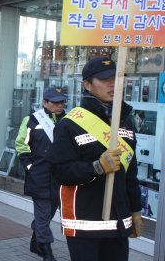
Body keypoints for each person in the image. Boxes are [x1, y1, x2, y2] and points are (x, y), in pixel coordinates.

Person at [48, 57, 142, 261]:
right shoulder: (70, 124)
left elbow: (130, 173)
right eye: (104, 79)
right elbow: (60, 171)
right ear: (87, 85)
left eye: (116, 78)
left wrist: (135, 210)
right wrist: (96, 167)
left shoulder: (124, 121)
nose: (112, 84)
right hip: (85, 223)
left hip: (118, 223)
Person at [15, 87, 67, 261]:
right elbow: (21, 145)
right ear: (44, 103)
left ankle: (35, 240)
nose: (59, 105)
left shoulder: (68, 121)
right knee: (44, 215)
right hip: (40, 177)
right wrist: (30, 167)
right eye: (55, 102)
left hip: (60, 178)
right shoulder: (31, 120)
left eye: (62, 102)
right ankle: (47, 251)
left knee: (48, 214)